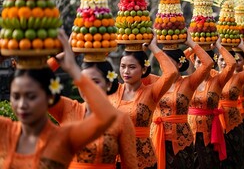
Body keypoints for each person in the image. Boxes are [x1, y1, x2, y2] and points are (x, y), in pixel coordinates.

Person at [0, 30, 117, 168]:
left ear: (49, 96)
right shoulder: (5, 130)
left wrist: (72, 67)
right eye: (16, 96)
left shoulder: (63, 138)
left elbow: (107, 115)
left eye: (31, 97)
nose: (22, 104)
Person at [47, 58, 137, 169]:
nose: (87, 87)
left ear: (108, 84)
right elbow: (34, 81)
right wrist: (60, 59)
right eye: (83, 81)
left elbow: (130, 165)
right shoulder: (67, 108)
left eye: (95, 82)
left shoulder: (121, 120)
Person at [108, 34, 178, 169]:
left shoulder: (151, 92)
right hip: (114, 157)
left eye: (132, 67)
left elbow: (171, 73)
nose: (126, 71)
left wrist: (153, 47)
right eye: (123, 66)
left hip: (142, 159)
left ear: (144, 69)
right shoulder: (112, 90)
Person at [151, 32, 213, 169]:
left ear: (179, 64)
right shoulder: (153, 81)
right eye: (162, 61)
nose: (164, 65)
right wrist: (152, 46)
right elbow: (137, 71)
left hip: (181, 140)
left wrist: (191, 43)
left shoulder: (188, 83)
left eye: (167, 61)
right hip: (157, 138)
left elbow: (208, 63)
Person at [187, 39, 236, 169]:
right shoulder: (187, 82)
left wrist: (219, 46)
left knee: (210, 164)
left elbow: (231, 64)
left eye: (206, 63)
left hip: (210, 131)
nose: (203, 66)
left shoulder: (218, 81)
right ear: (194, 62)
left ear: (212, 64)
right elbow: (174, 64)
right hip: (189, 131)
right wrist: (192, 44)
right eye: (199, 62)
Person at [219, 39, 244, 169]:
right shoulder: (213, 76)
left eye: (226, 60)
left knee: (236, 156)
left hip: (236, 120)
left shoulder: (239, 77)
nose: (223, 62)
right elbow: (193, 60)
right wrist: (193, 44)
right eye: (220, 59)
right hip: (216, 123)